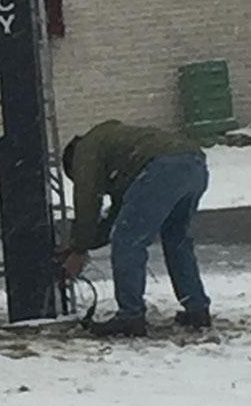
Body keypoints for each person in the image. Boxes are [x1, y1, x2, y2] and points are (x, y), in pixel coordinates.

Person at [61, 120, 211, 337]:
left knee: (127, 241)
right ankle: (197, 309)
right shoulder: (117, 149)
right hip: (193, 163)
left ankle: (130, 316)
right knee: (177, 240)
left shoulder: (86, 152)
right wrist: (88, 243)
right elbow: (118, 213)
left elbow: (87, 202)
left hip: (161, 167)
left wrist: (79, 248)